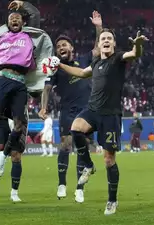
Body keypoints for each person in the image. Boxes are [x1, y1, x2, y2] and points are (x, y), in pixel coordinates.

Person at [48, 28, 148, 215]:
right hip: (93, 110)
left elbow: (134, 54)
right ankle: (87, 164)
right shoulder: (95, 62)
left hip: (110, 115)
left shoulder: (118, 58)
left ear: (114, 43)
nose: (106, 40)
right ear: (99, 43)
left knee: (109, 159)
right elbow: (80, 72)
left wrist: (138, 45)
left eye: (110, 38)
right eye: (103, 38)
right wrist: (60, 66)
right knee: (75, 128)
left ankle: (112, 200)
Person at [0, 0, 53, 202]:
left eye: (18, 18)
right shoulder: (1, 35)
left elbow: (36, 16)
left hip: (19, 86)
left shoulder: (30, 36)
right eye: (11, 18)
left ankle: (12, 186)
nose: (14, 20)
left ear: (23, 22)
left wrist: (21, 4)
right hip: (2, 83)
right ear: (7, 23)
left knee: (18, 141)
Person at [39, 12, 102, 202]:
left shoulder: (83, 60)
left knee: (83, 147)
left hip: (86, 111)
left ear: (71, 48)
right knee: (66, 145)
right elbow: (47, 88)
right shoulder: (55, 67)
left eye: (63, 45)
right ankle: (61, 184)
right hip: (67, 111)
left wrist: (98, 27)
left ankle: (80, 187)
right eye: (58, 47)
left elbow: (98, 49)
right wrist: (43, 107)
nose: (60, 48)